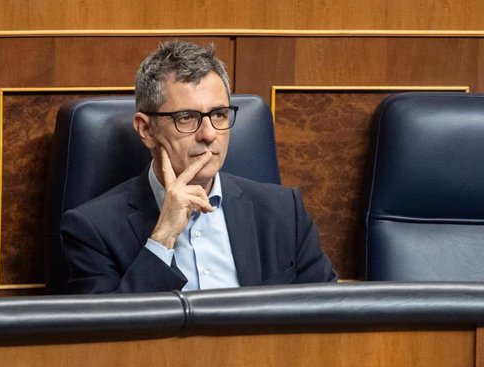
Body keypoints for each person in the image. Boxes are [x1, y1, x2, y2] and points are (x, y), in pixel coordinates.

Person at [61, 40, 336, 294]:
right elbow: (105, 338)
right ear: (146, 129)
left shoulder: (284, 211)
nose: (209, 134)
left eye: (218, 114)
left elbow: (330, 315)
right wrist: (163, 236)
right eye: (187, 118)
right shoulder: (92, 229)